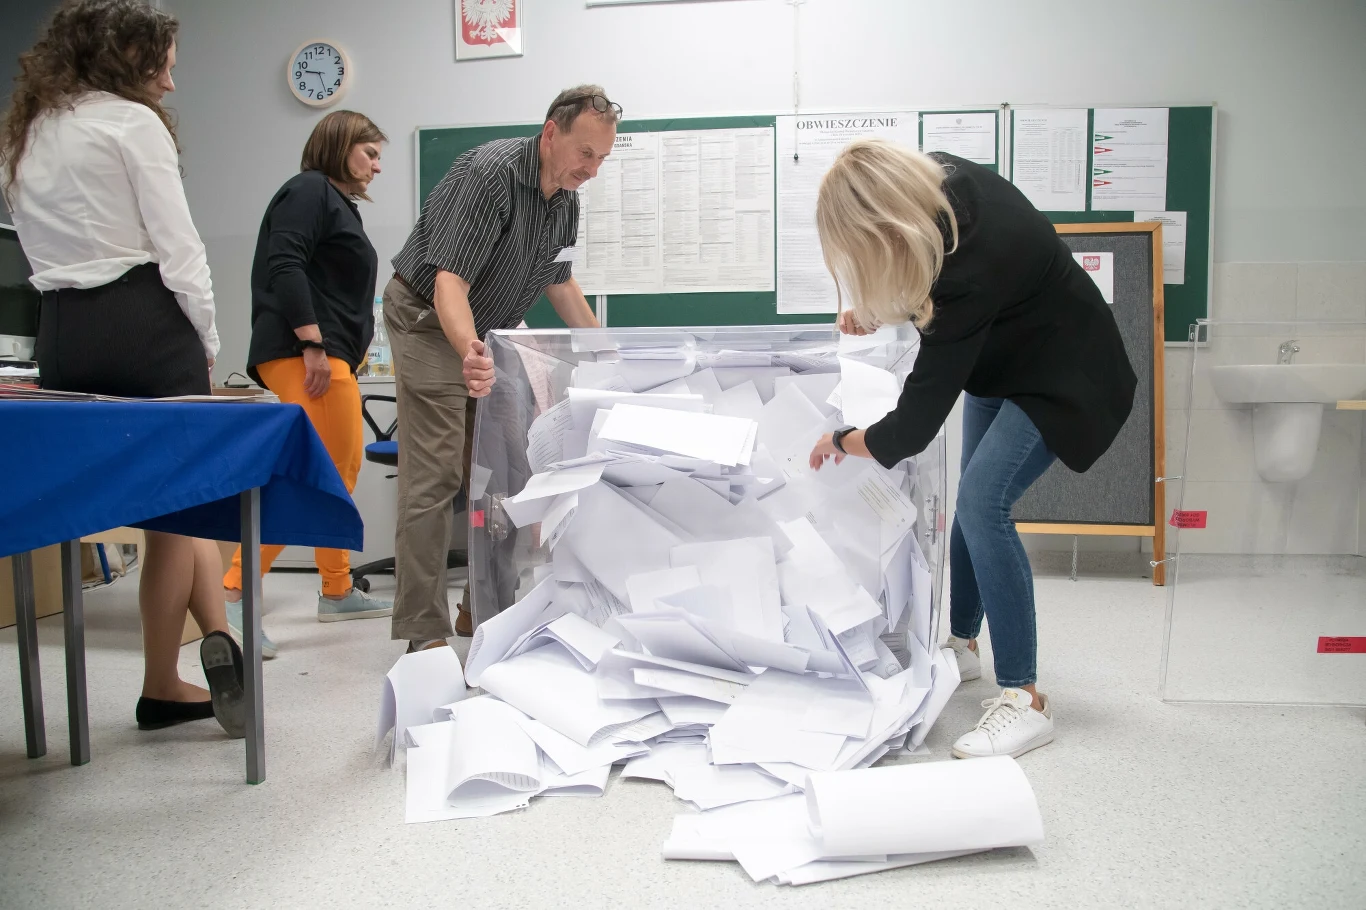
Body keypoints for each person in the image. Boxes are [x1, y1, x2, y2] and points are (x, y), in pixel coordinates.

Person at [808, 139, 1136, 760]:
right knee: (971, 503)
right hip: (1004, 354)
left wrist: (842, 440)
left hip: (1063, 372)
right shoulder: (939, 181)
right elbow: (920, 276)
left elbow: (910, 430)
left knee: (985, 505)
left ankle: (1025, 699)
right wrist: (877, 310)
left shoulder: (968, 269)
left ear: (886, 227)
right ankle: (962, 643)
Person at [2, 0, 244, 736]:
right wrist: (207, 336)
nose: (169, 83)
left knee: (170, 504)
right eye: (162, 66)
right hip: (143, 321)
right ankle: (163, 682)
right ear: (127, 58)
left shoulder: (27, 132)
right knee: (180, 509)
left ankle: (217, 635)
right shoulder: (132, 123)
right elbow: (180, 248)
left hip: (62, 334)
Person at [385, 85, 618, 652]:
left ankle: (486, 609)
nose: (592, 169)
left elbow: (560, 283)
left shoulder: (565, 200)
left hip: (489, 333)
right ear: (551, 133)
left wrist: (610, 354)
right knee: (437, 474)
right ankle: (424, 632)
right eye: (585, 153)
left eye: (602, 159)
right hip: (428, 321)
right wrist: (471, 354)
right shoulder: (488, 177)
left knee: (511, 469)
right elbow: (449, 284)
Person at [218, 111, 395, 658]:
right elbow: (285, 265)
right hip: (307, 355)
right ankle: (234, 592)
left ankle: (337, 589)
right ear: (339, 146)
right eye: (369, 153)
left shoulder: (335, 201)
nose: (377, 166)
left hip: (325, 354)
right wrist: (312, 342)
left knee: (333, 471)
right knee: (316, 472)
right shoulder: (309, 190)